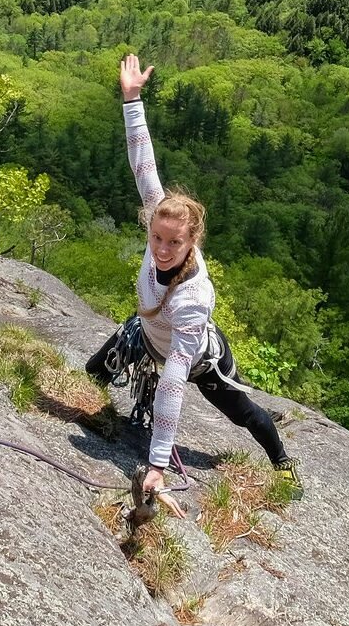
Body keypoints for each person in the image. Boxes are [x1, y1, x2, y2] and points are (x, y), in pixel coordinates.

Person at [87, 53, 302, 510]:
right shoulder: (159, 217)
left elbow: (173, 383)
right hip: (146, 335)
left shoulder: (193, 298)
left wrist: (159, 464)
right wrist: (132, 98)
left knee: (244, 413)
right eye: (156, 238)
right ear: (151, 225)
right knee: (92, 375)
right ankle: (103, 410)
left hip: (199, 359)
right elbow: (143, 165)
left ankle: (282, 460)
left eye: (174, 242)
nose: (162, 249)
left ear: (192, 240)